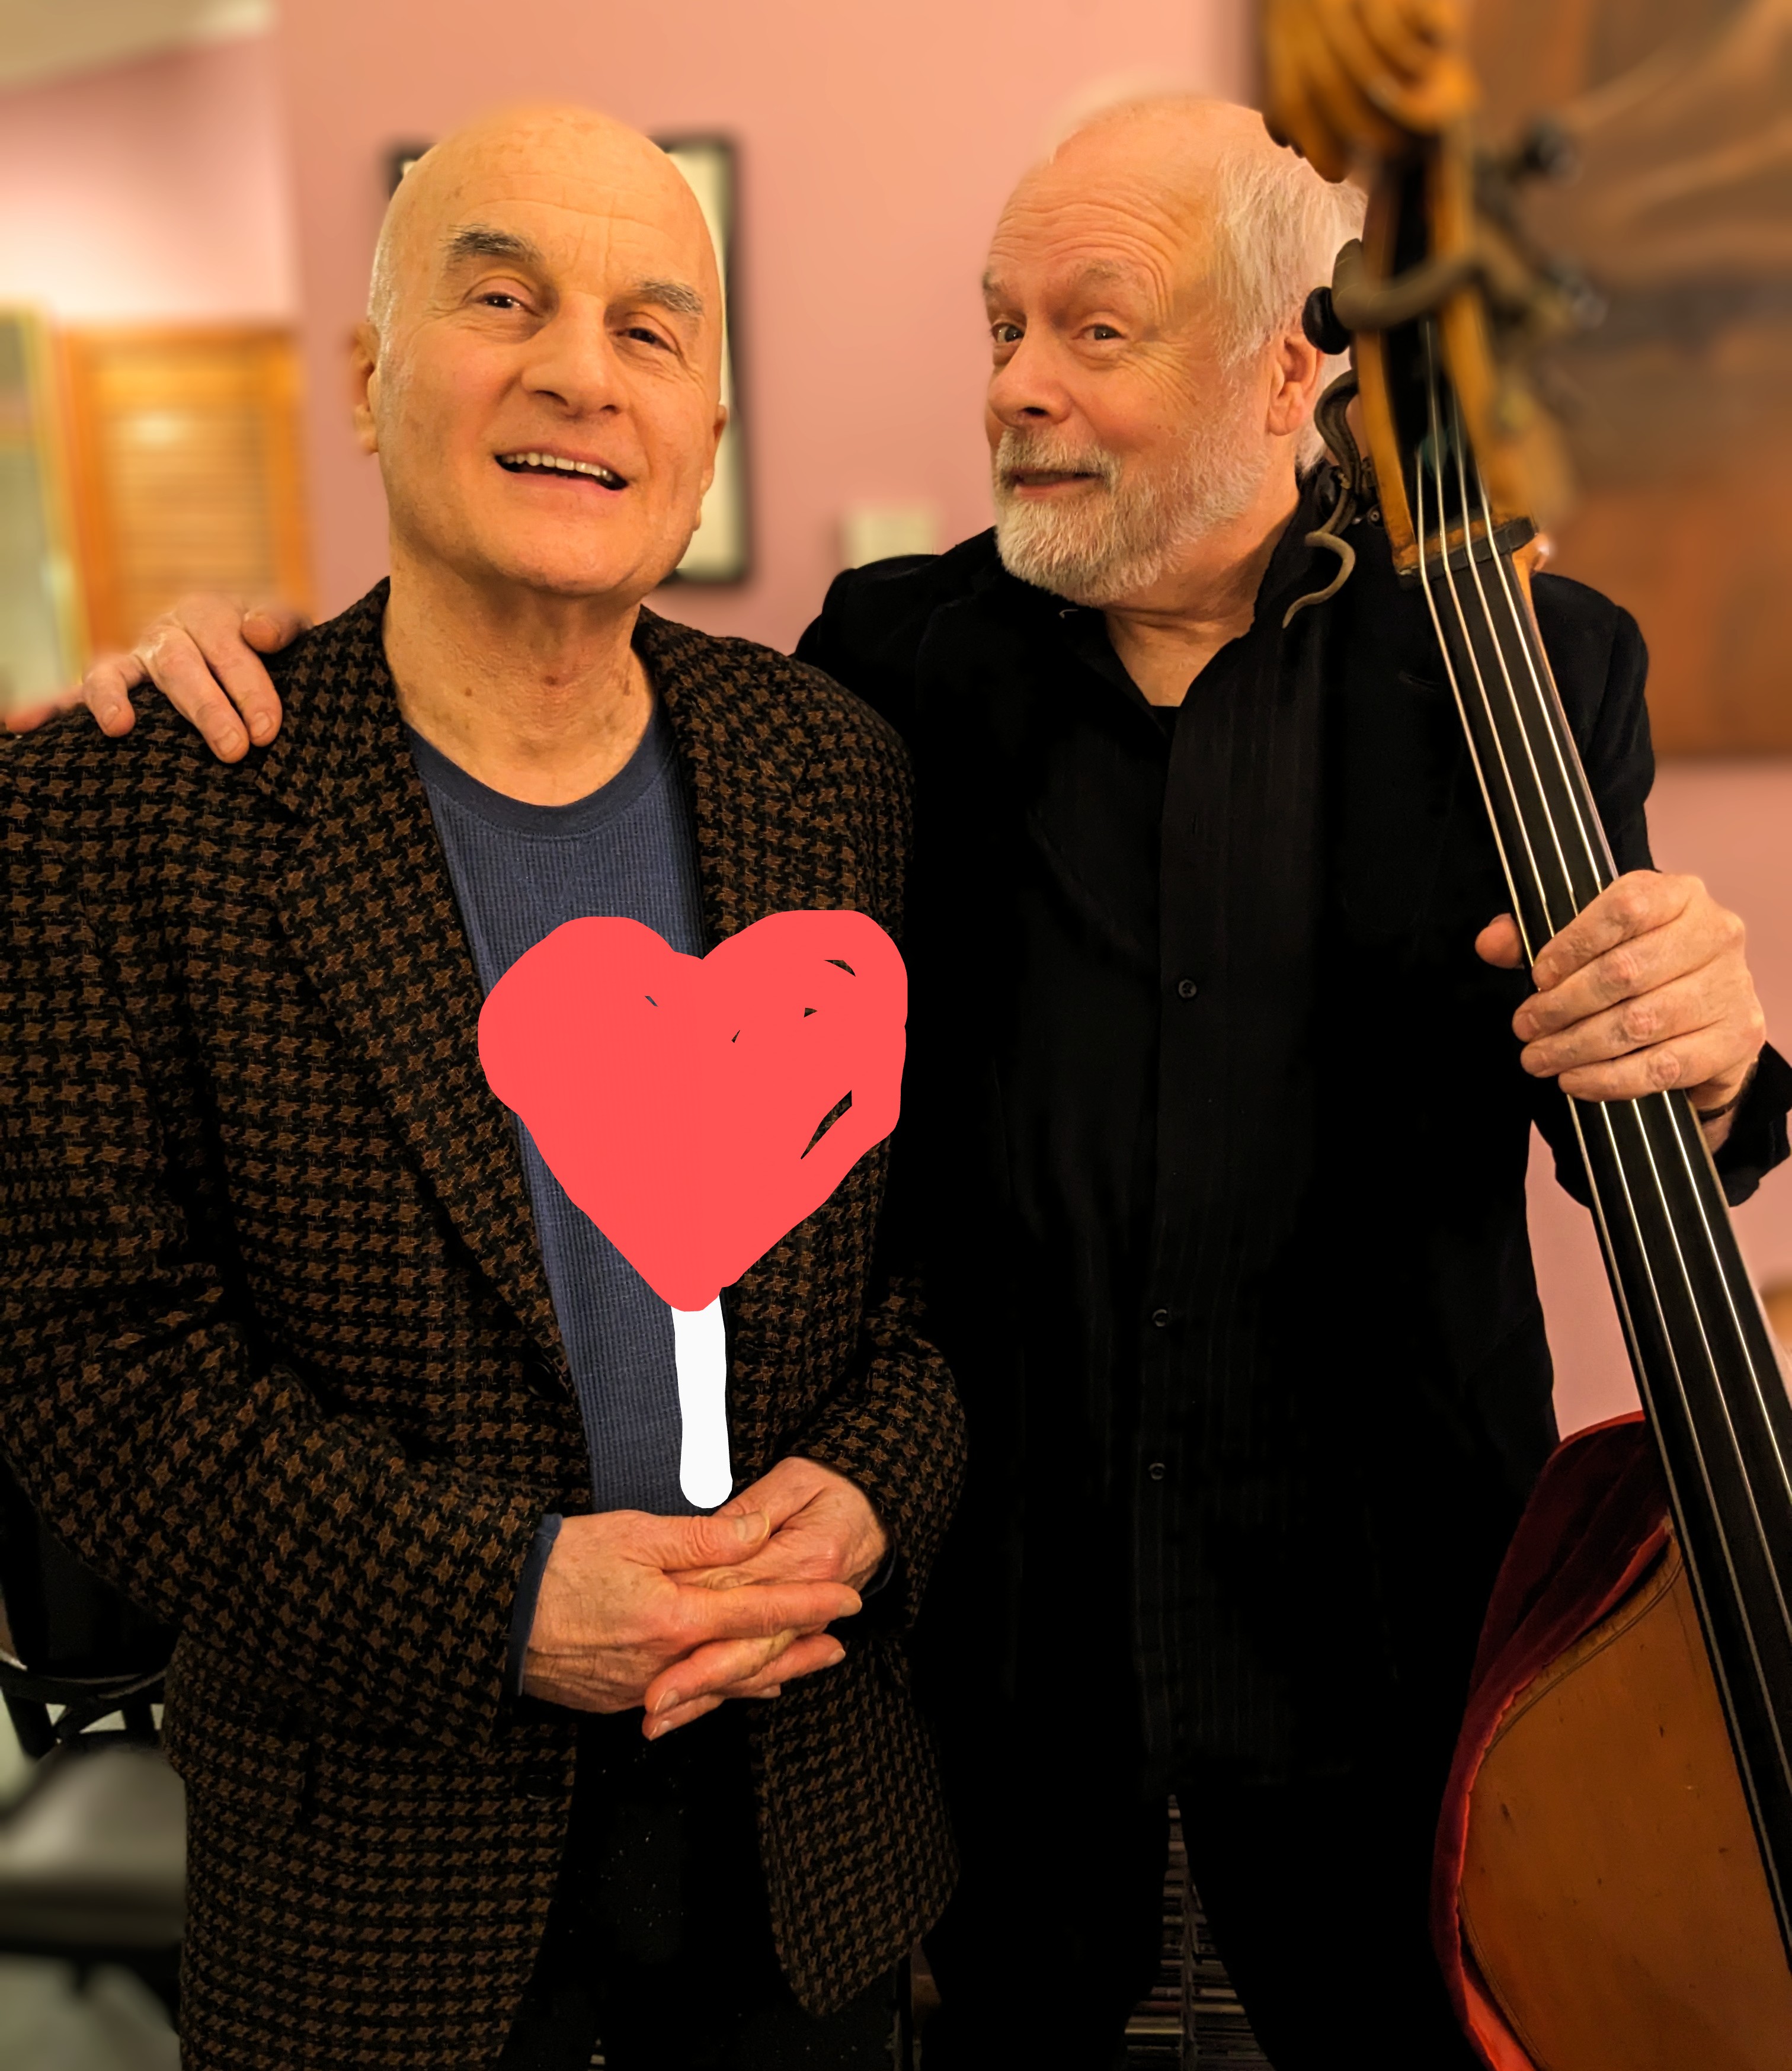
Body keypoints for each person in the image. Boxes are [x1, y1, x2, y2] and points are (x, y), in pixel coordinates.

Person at [46, 97, 1789, 2071]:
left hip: (1393, 1685)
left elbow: (1620, 1097)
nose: (1016, 386)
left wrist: (1706, 1060)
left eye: (1096, 331)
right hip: (995, 1708)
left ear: (1291, 367)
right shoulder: (889, 669)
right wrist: (224, 650)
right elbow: (577, 746)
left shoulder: (1529, 669)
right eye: (1000, 327)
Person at [0, 105, 964, 2071]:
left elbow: (938, 1264)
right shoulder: (118, 810)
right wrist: (505, 1599)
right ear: (368, 380)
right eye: (503, 299)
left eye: (648, 329)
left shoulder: (836, 775)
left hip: (801, 1853)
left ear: (704, 434)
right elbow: (94, 1371)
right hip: (375, 1888)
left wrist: (876, 1488)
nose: (579, 374)